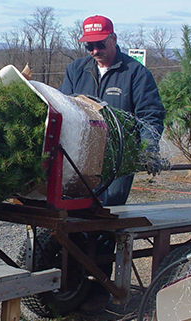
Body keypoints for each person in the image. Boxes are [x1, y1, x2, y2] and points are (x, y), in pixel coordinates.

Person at [60, 15, 165, 207]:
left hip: (119, 157)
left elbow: (150, 115)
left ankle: (107, 238)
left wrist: (149, 148)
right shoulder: (76, 70)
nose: (95, 51)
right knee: (75, 209)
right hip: (80, 155)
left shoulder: (135, 73)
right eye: (89, 46)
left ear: (114, 39)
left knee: (110, 210)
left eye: (100, 44)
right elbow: (62, 108)